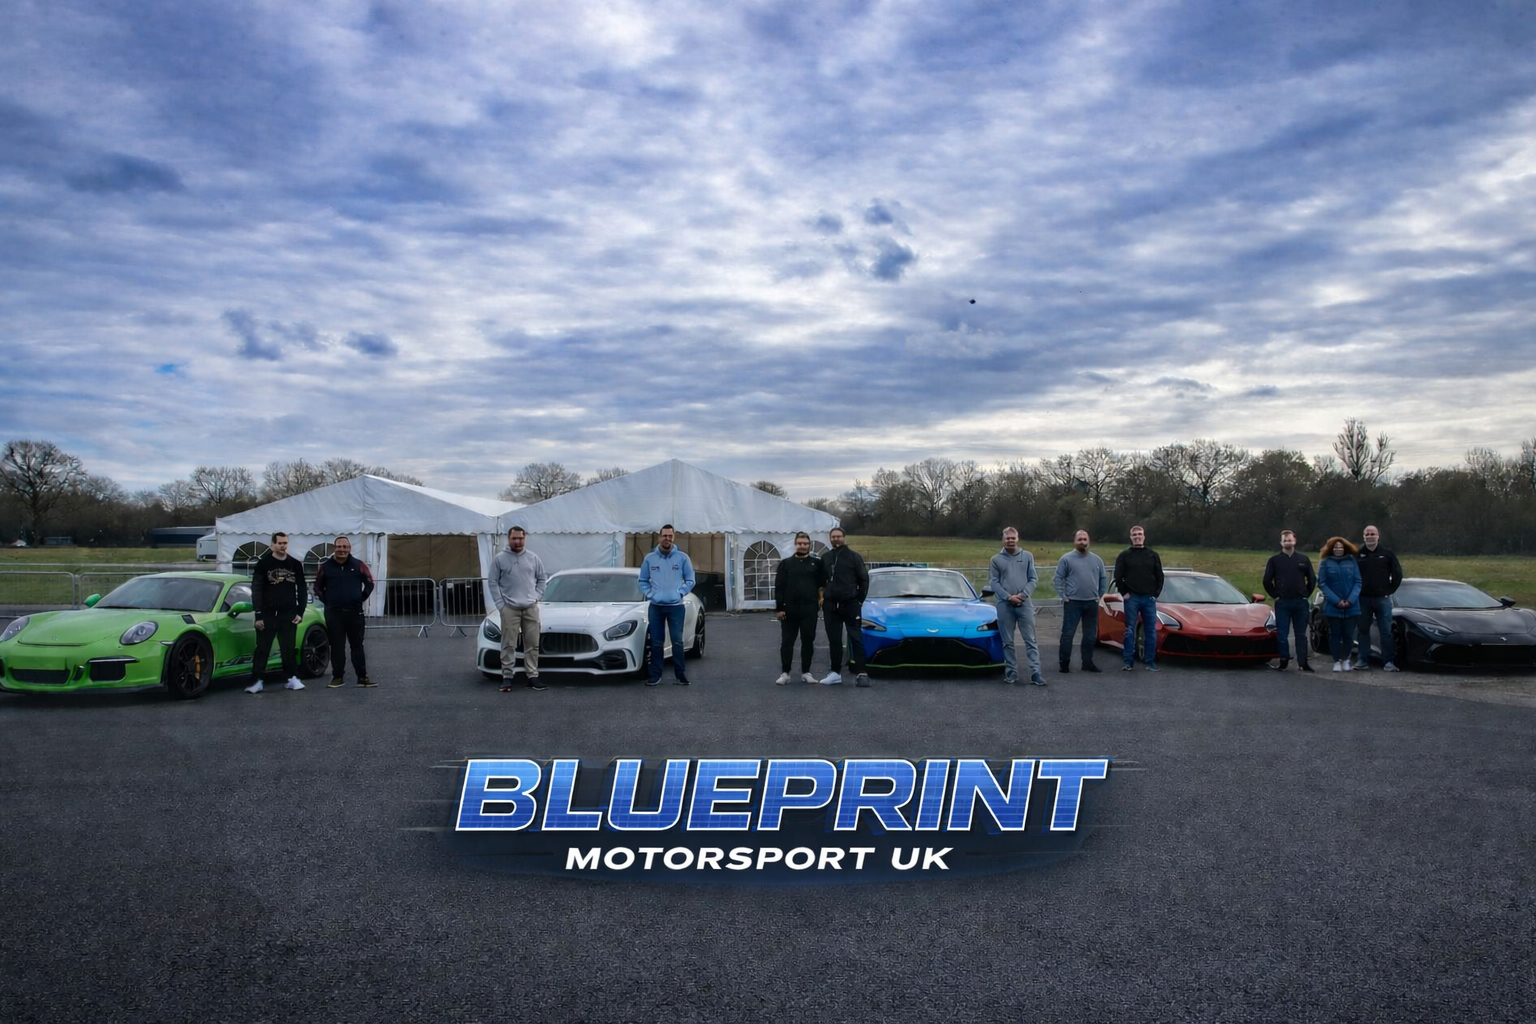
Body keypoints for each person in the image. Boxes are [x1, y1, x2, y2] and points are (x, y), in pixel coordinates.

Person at [245, 531, 308, 693]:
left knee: (288, 648)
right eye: (280, 543)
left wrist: (300, 612)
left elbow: (302, 589)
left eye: (285, 543)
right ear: (272, 544)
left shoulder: (295, 564)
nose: (283, 546)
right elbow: (256, 589)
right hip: (267, 613)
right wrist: (258, 615)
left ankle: (293, 678)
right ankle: (257, 681)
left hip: (288, 613)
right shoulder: (263, 564)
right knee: (263, 648)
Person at [312, 535, 376, 688]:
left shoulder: (359, 565)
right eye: (339, 547)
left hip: (355, 613)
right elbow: (317, 588)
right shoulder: (325, 566)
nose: (342, 550)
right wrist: (328, 602)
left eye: (345, 547)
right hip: (334, 614)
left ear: (349, 548)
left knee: (357, 646)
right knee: (337, 646)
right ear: (335, 549)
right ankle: (337, 677)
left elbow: (369, 583)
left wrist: (360, 598)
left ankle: (362, 677)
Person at [489, 526, 548, 692]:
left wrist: (536, 596)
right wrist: (500, 605)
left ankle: (532, 676)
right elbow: (492, 582)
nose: (517, 541)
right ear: (508, 539)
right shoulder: (499, 559)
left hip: (530, 608)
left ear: (525, 538)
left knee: (532, 643)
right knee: (508, 644)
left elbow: (542, 579)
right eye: (514, 538)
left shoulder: (533, 558)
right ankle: (507, 676)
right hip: (510, 608)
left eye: (520, 538)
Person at [638, 524, 695, 686]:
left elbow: (691, 580)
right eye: (664, 536)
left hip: (676, 606)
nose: (667, 539)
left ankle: (680, 675)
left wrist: (680, 593)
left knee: (677, 640)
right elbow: (642, 580)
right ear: (659, 537)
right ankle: (655, 675)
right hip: (656, 607)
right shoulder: (650, 559)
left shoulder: (682, 558)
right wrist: (651, 594)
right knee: (656, 641)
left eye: (670, 536)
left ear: (674, 538)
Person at [989, 528, 1046, 686]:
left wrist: (1022, 595)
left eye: (1013, 538)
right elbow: (994, 582)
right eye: (1007, 538)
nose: (1010, 541)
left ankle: (1035, 673)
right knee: (1007, 642)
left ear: (1017, 538)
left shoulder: (1027, 556)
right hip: (1004, 605)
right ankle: (1011, 673)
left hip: (1024, 604)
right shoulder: (996, 560)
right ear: (1003, 539)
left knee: (1031, 640)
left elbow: (1033, 579)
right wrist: (1008, 597)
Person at [819, 528, 870, 687]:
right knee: (834, 640)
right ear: (830, 539)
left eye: (839, 536)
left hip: (850, 604)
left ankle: (861, 673)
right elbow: (822, 581)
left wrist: (858, 601)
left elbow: (864, 580)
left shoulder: (854, 557)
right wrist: (822, 598)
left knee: (855, 637)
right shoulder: (826, 557)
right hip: (831, 606)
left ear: (844, 537)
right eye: (833, 537)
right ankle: (835, 673)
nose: (836, 539)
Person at [775, 532, 826, 685]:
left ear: (809, 545)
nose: (802, 546)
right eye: (800, 543)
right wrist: (779, 608)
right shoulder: (786, 564)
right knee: (787, 642)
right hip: (789, 609)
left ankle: (806, 672)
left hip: (809, 609)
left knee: (808, 641)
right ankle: (785, 673)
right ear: (795, 544)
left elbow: (821, 586)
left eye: (805, 543)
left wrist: (821, 600)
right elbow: (779, 587)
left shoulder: (816, 564)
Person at [1112, 525, 1165, 673]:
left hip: (1149, 599)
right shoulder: (1124, 555)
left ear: (1144, 536)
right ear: (1131, 537)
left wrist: (1156, 594)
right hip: (1132, 598)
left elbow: (1159, 576)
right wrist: (1124, 593)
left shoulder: (1153, 555)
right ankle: (1128, 662)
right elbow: (1118, 576)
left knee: (1150, 631)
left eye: (1139, 534)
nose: (1137, 536)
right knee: (1130, 630)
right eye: (1134, 534)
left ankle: (1150, 662)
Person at [1262, 529, 1316, 672]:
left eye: (1290, 540)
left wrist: (1306, 594)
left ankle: (1302, 662)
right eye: (1285, 540)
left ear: (1295, 540)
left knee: (1300, 634)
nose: (1287, 542)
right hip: (1283, 603)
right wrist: (1275, 595)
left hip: (1300, 602)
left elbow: (1312, 579)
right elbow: (1267, 581)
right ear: (1281, 542)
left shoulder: (1303, 559)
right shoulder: (1274, 561)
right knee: (1282, 633)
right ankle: (1284, 660)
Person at [1052, 530, 1107, 673]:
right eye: (1080, 539)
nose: (1082, 542)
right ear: (1075, 541)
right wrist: (1063, 595)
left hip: (1091, 603)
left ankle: (1087, 663)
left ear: (1088, 541)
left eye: (1085, 539)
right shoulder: (1066, 559)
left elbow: (1103, 578)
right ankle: (1064, 664)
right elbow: (1058, 578)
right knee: (1068, 634)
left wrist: (1099, 595)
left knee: (1090, 636)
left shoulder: (1097, 560)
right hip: (1073, 603)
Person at [1355, 524, 1403, 672]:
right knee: (1363, 630)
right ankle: (1363, 660)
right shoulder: (1357, 554)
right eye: (1367, 534)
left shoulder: (1387, 554)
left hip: (1382, 599)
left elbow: (1397, 574)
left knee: (1386, 631)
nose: (1370, 536)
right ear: (1363, 537)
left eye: (1373, 534)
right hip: (1363, 599)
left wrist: (1389, 590)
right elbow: (1350, 576)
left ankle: (1388, 662)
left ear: (1378, 536)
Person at [1317, 536, 1362, 672]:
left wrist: (1351, 600)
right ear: (1331, 549)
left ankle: (1346, 659)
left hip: (1352, 606)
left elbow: (1358, 582)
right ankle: (1336, 661)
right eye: (1335, 547)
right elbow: (1322, 583)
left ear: (1345, 548)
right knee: (1334, 635)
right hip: (1333, 606)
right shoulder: (1325, 563)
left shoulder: (1352, 561)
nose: (1338, 549)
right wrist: (1336, 600)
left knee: (1349, 635)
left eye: (1341, 547)